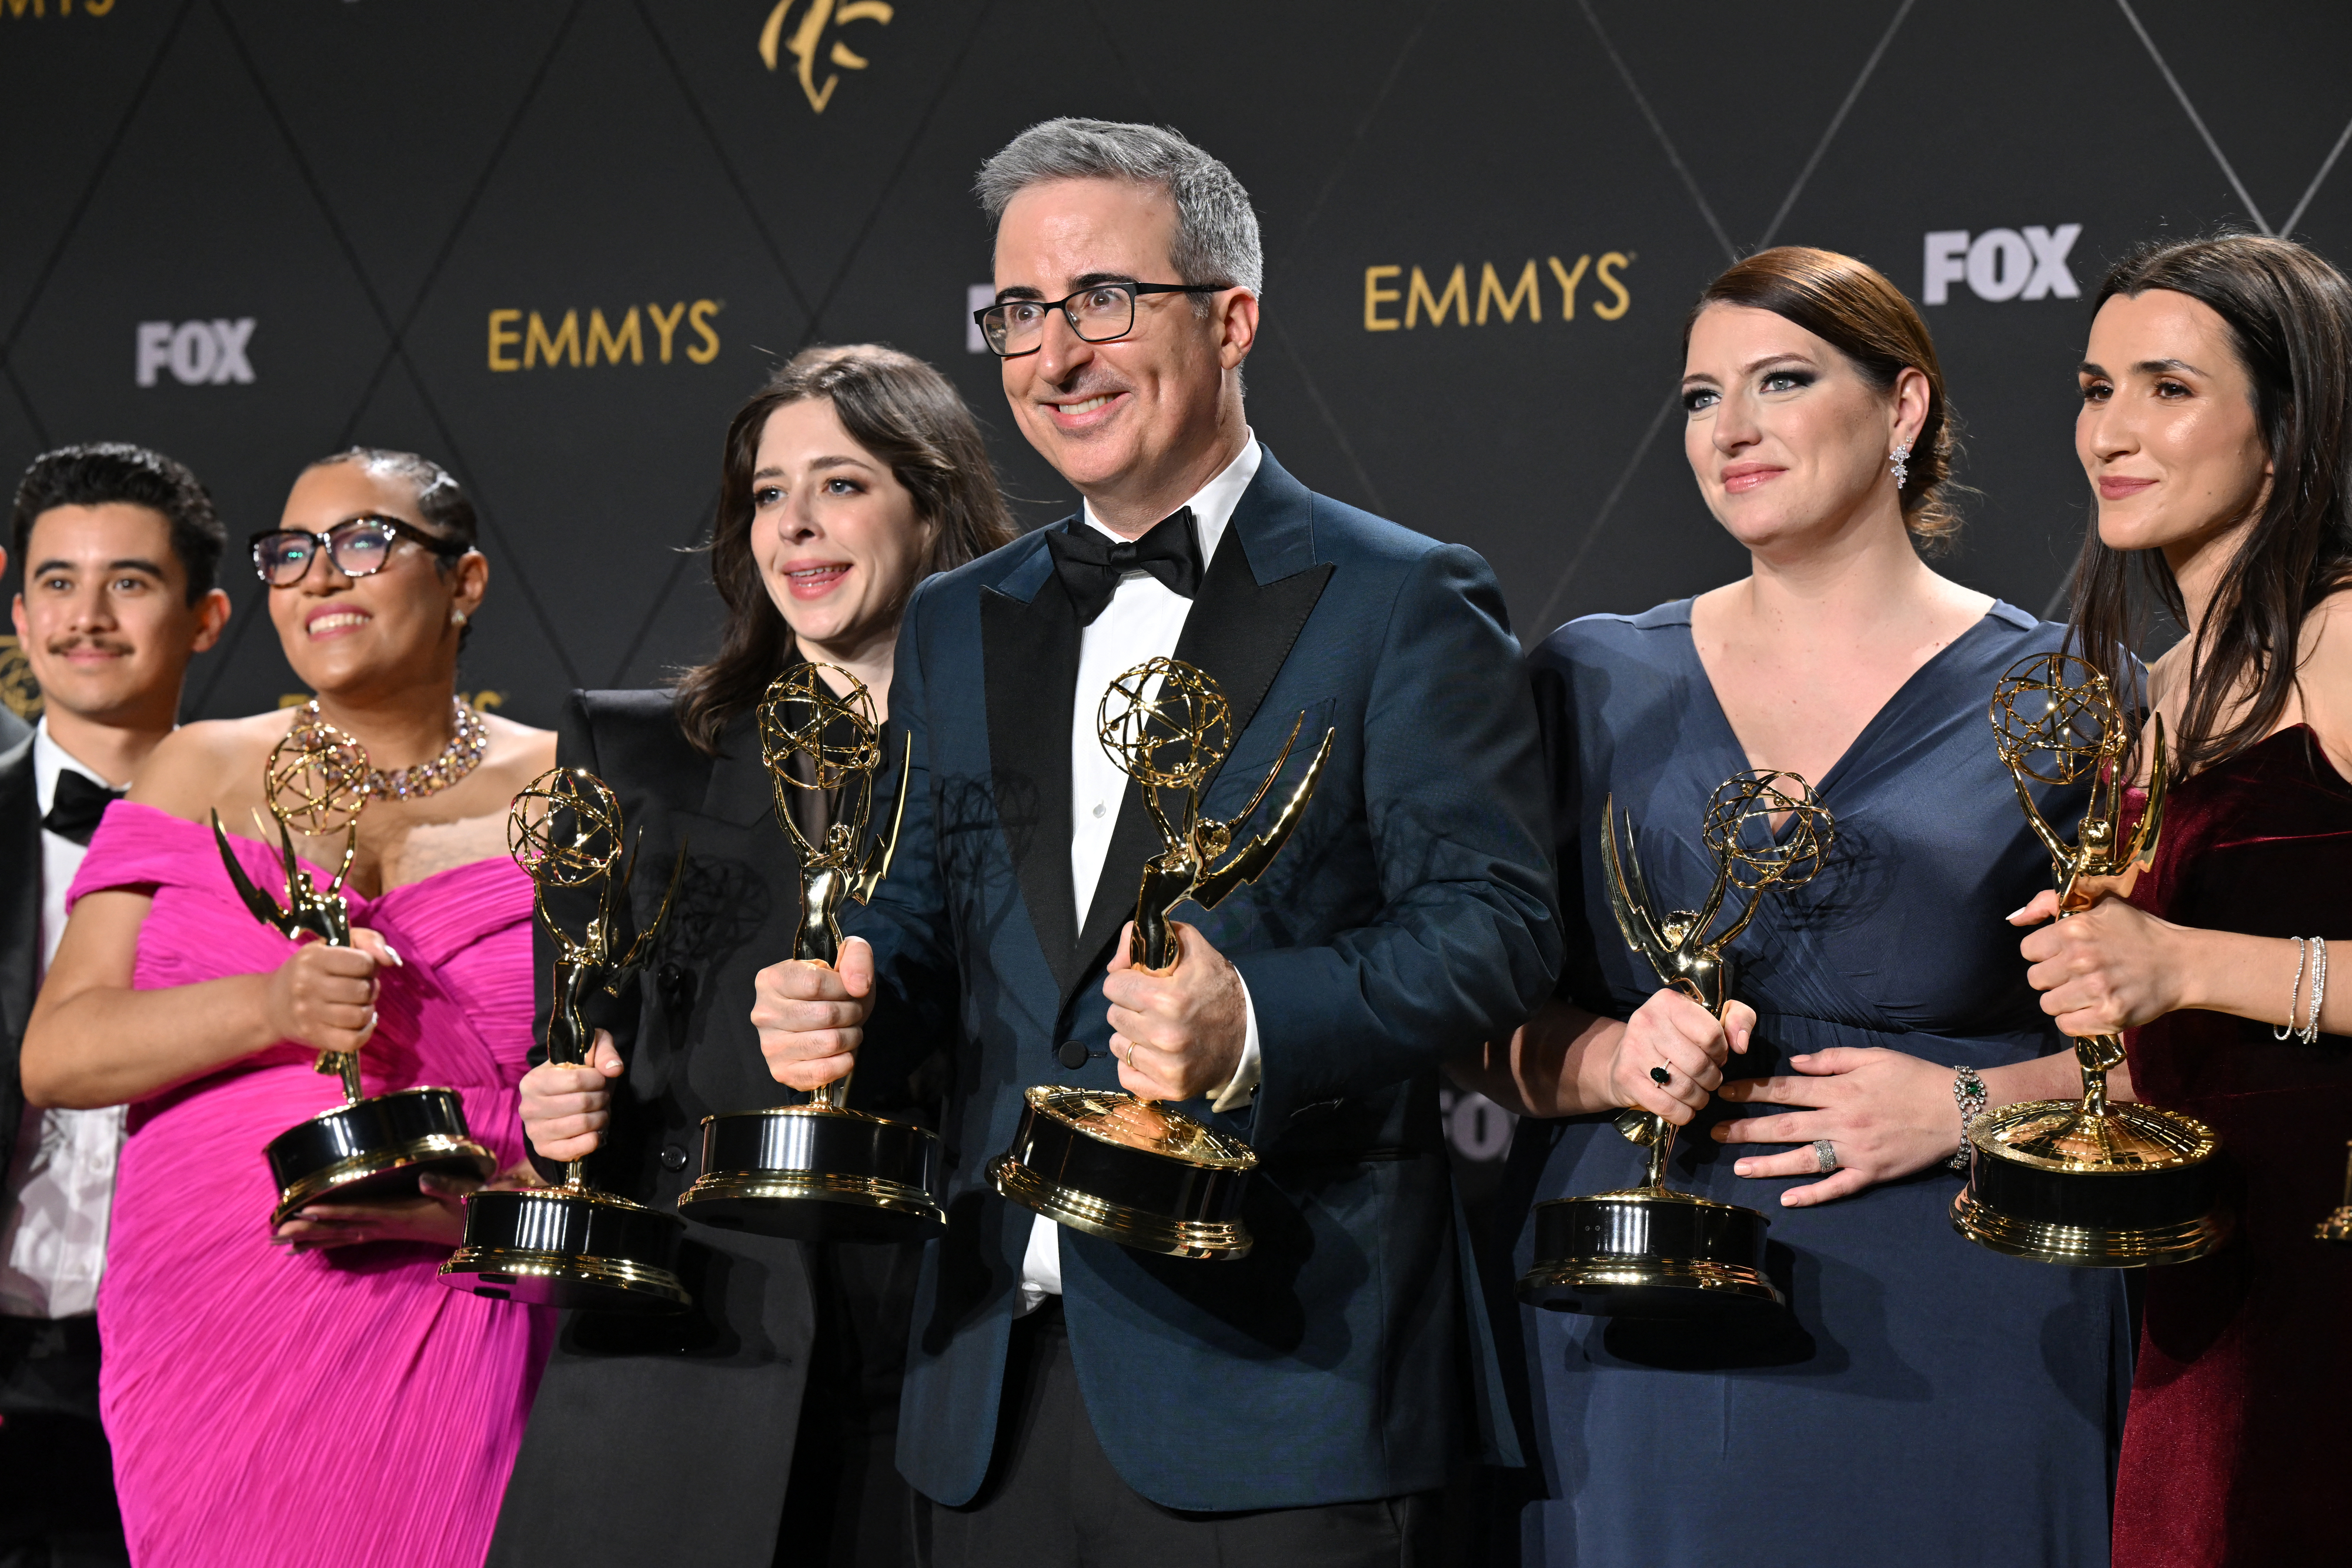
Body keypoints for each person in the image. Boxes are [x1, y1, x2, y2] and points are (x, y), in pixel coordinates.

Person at [754, 119, 1558, 1567]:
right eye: (1018, 314)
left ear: (1232, 317)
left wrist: (1250, 1019)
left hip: (1278, 1387)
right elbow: (927, 916)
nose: (1056, 353)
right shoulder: (959, 614)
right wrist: (852, 985)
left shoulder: (1401, 596)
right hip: (983, 1392)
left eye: (1103, 300)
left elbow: (1492, 927)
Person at [1456, 248, 2127, 1566]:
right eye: (1702, 397)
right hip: (1638, 1311)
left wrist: (1965, 1105)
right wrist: (1601, 1060)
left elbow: (2168, 1046)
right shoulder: (1585, 676)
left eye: (1779, 380)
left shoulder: (2070, 691)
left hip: (1969, 1310)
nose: (1731, 430)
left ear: (1902, 409)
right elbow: (1462, 1012)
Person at [489, 344, 1015, 1568]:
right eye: (767, 494)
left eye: (839, 484)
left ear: (931, 503)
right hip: (680, 1363)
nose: (796, 526)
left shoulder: (1017, 763)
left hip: (938, 1369)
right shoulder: (633, 754)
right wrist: (553, 1105)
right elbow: (568, 1037)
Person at [20, 447, 555, 1568]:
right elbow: (60, 1053)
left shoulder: (569, 790)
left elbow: (622, 1095)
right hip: (213, 1316)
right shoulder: (195, 768)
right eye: (291, 554)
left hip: (469, 1298)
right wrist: (272, 1003)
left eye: (366, 542)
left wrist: (494, 1215)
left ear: (464, 584)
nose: (321, 577)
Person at [2015, 233, 2352, 1567]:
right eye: (2095, 389)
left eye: (2166, 389)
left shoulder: (2345, 637)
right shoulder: (2150, 695)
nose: (2111, 431)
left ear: (2285, 423)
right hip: (2204, 1292)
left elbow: (2189, 972)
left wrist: (2182, 962)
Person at [1, 444, 230, 1566]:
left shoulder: (283, 846)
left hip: (204, 1354)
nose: (86, 616)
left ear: (207, 617)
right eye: (57, 581)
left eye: (129, 582)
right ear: (19, 605)